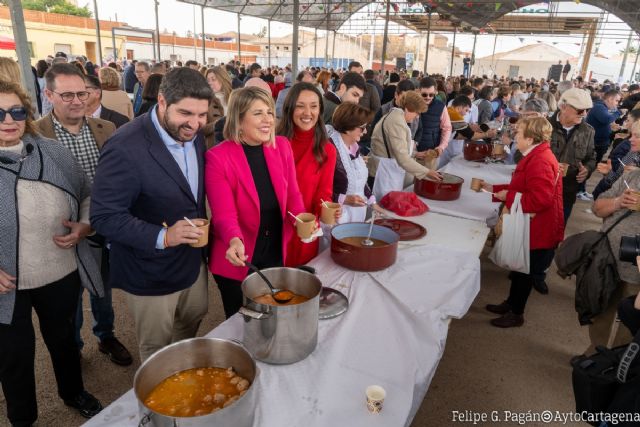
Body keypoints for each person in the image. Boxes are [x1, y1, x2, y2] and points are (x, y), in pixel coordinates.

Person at [90, 67, 212, 361]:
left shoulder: (193, 135)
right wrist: (163, 236)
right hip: (149, 270)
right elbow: (103, 216)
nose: (195, 124)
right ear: (161, 101)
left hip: (191, 261)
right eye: (186, 113)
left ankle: (182, 378)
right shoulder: (124, 146)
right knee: (157, 348)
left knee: (190, 325)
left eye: (202, 115)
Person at [0, 81, 103, 424]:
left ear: (27, 114)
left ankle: (73, 391)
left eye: (16, 111)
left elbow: (88, 194)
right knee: (13, 355)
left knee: (64, 340)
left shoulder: (54, 152)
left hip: (58, 271)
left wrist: (85, 225)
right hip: (6, 284)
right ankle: (23, 418)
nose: (8, 120)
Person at [35, 63, 132, 366]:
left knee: (101, 287)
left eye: (82, 93)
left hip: (102, 226)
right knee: (69, 295)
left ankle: (106, 335)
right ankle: (73, 346)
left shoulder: (106, 128)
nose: (77, 100)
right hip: (60, 230)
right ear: (48, 94)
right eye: (67, 95)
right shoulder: (34, 135)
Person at [205, 86, 307, 317]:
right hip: (237, 255)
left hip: (273, 250)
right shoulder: (218, 157)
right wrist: (234, 239)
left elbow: (293, 195)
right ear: (239, 120)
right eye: (258, 113)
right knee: (239, 318)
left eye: (270, 112)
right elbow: (224, 214)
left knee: (272, 313)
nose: (268, 120)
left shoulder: (281, 146)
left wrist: (303, 221)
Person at [483, 117, 564, 327]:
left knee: (524, 272)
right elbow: (524, 187)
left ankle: (516, 313)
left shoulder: (540, 160)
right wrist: (495, 190)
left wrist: (506, 197)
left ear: (529, 138)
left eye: (518, 133)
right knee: (520, 270)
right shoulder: (536, 154)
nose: (515, 137)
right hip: (533, 224)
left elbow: (539, 199)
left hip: (539, 227)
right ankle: (511, 303)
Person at [276, 82, 339, 267]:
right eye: (300, 106)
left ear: (320, 110)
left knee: (298, 286)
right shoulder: (275, 143)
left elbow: (324, 193)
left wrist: (327, 210)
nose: (307, 113)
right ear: (290, 108)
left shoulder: (327, 150)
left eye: (313, 106)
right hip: (273, 228)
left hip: (305, 228)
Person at [590, 167, 640, 352]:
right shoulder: (632, 176)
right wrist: (619, 202)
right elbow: (597, 208)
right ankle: (596, 353)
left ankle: (618, 362)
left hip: (636, 270)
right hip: (608, 259)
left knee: (631, 320)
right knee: (601, 310)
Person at [368, 91, 442, 199]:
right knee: (383, 206)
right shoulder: (396, 122)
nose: (417, 117)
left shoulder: (396, 117)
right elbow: (402, 159)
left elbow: (395, 147)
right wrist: (427, 172)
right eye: (417, 113)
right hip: (382, 173)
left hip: (386, 170)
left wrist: (416, 154)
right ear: (408, 108)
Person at [549, 88, 595, 224]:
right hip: (541, 188)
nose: (584, 114)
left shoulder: (588, 131)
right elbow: (521, 156)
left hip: (567, 192)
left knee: (557, 229)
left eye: (587, 110)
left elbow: (591, 157)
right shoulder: (544, 126)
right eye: (580, 110)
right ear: (563, 106)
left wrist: (587, 169)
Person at [329, 102, 381, 223]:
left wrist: (372, 202)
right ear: (348, 128)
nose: (365, 132)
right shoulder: (330, 150)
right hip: (336, 215)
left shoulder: (354, 148)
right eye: (362, 128)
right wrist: (344, 199)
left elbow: (361, 182)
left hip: (357, 213)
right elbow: (320, 190)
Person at [593, 113, 640, 199]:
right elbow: (620, 171)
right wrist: (610, 171)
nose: (630, 139)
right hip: (612, 191)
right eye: (632, 135)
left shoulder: (632, 150)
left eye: (636, 136)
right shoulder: (633, 153)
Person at [416, 77, 452, 154]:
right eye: (424, 94)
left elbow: (447, 128)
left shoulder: (441, 106)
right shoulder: (413, 104)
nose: (428, 97)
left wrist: (441, 147)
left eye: (431, 94)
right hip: (412, 152)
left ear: (436, 92)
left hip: (431, 153)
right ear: (419, 91)